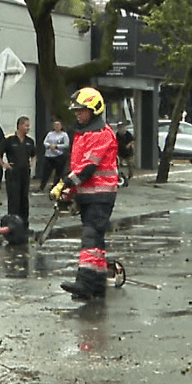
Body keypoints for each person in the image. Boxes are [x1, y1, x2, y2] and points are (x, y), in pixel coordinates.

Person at [53, 87, 119, 301]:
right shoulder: (83, 133)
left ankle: (85, 281)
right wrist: (69, 192)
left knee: (90, 237)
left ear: (94, 110)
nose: (78, 114)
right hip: (90, 194)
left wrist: (64, 184)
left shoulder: (101, 134)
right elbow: (78, 167)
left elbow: (88, 167)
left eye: (82, 110)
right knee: (97, 242)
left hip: (101, 195)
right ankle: (97, 285)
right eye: (77, 111)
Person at [0, 116, 37, 225]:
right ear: (20, 126)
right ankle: (13, 222)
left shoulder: (30, 141)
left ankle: (24, 223)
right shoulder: (10, 140)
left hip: (25, 172)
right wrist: (4, 164)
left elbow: (34, 154)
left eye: (28, 126)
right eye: (26, 125)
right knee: (14, 198)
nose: (28, 128)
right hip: (13, 173)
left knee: (24, 198)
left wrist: (32, 162)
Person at [39, 118, 71, 194]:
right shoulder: (50, 134)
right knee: (46, 172)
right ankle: (42, 187)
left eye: (58, 125)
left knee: (58, 173)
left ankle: (55, 187)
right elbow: (45, 142)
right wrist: (50, 146)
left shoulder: (64, 135)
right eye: (55, 125)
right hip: (49, 156)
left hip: (59, 156)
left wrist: (56, 146)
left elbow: (66, 145)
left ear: (61, 126)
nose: (56, 126)